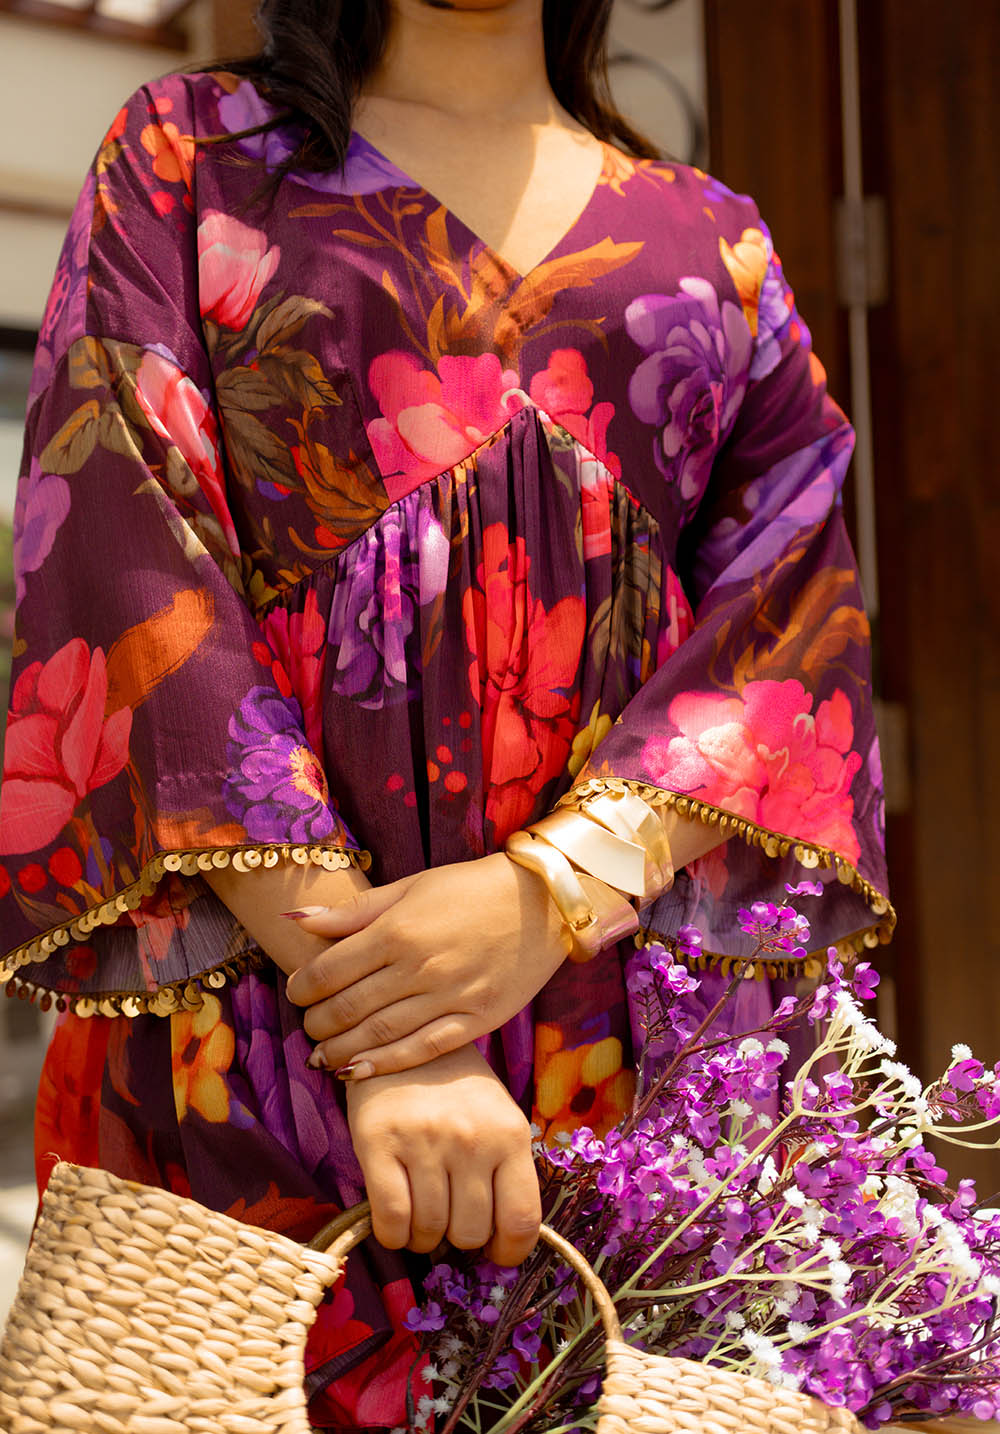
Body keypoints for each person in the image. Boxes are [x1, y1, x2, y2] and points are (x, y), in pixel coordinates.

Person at [0, 0, 893, 1425]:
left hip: (626, 1036)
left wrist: (541, 899)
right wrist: (400, 1036)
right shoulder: (190, 158)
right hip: (269, 1008)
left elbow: (786, 614)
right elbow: (130, 560)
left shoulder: (711, 239)